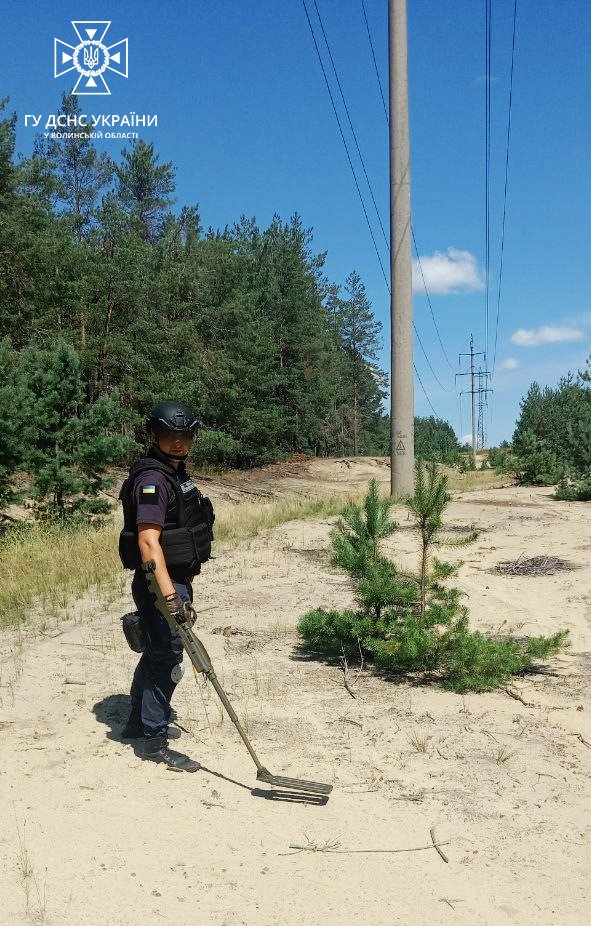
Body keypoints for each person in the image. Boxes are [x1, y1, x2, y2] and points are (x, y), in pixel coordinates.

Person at [118, 401, 215, 773]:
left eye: (185, 435)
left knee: (157, 650)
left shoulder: (174, 473)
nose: (179, 443)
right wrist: (170, 597)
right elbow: (148, 542)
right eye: (171, 436)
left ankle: (136, 722)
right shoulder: (153, 481)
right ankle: (154, 740)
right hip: (161, 582)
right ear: (154, 436)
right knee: (170, 657)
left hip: (171, 579)